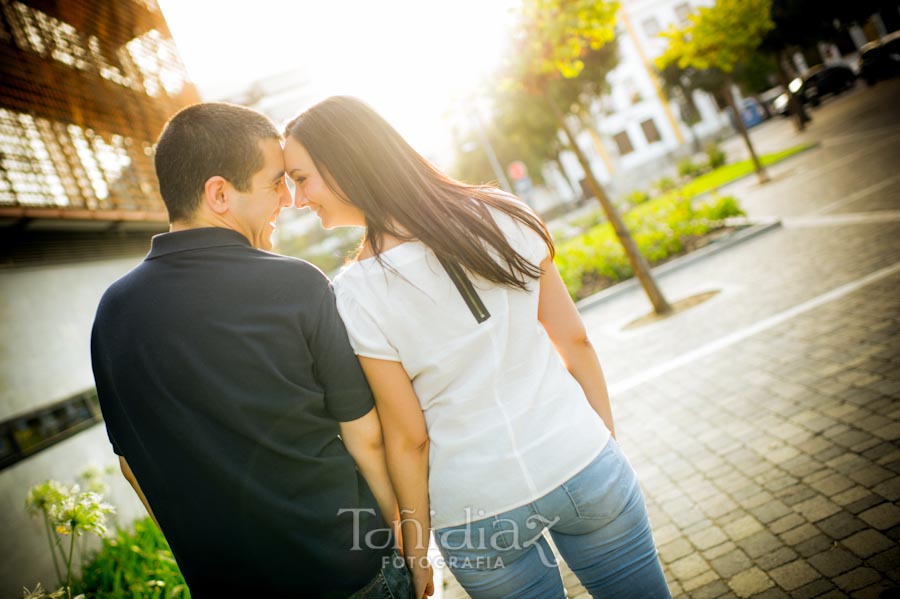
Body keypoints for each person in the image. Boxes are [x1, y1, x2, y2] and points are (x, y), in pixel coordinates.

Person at [283, 96, 672, 599]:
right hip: (580, 458)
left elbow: (409, 437)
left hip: (474, 511)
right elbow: (574, 340)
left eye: (300, 178)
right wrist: (603, 449)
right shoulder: (505, 214)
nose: (295, 198)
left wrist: (417, 552)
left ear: (343, 166)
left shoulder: (357, 290)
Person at [91, 102, 417, 599]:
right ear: (219, 194)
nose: (287, 199)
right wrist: (399, 530)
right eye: (273, 184)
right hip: (350, 574)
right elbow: (364, 436)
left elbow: (132, 466)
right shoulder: (295, 284)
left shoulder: (111, 313)